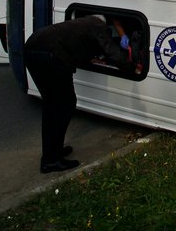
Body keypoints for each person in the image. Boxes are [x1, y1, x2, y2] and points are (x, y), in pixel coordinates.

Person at [23, 15, 139, 173]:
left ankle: (52, 153)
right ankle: (51, 161)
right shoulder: (98, 25)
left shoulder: (82, 24)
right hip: (52, 55)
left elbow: (81, 46)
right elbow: (111, 51)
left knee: (51, 106)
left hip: (31, 49)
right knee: (65, 105)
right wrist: (131, 69)